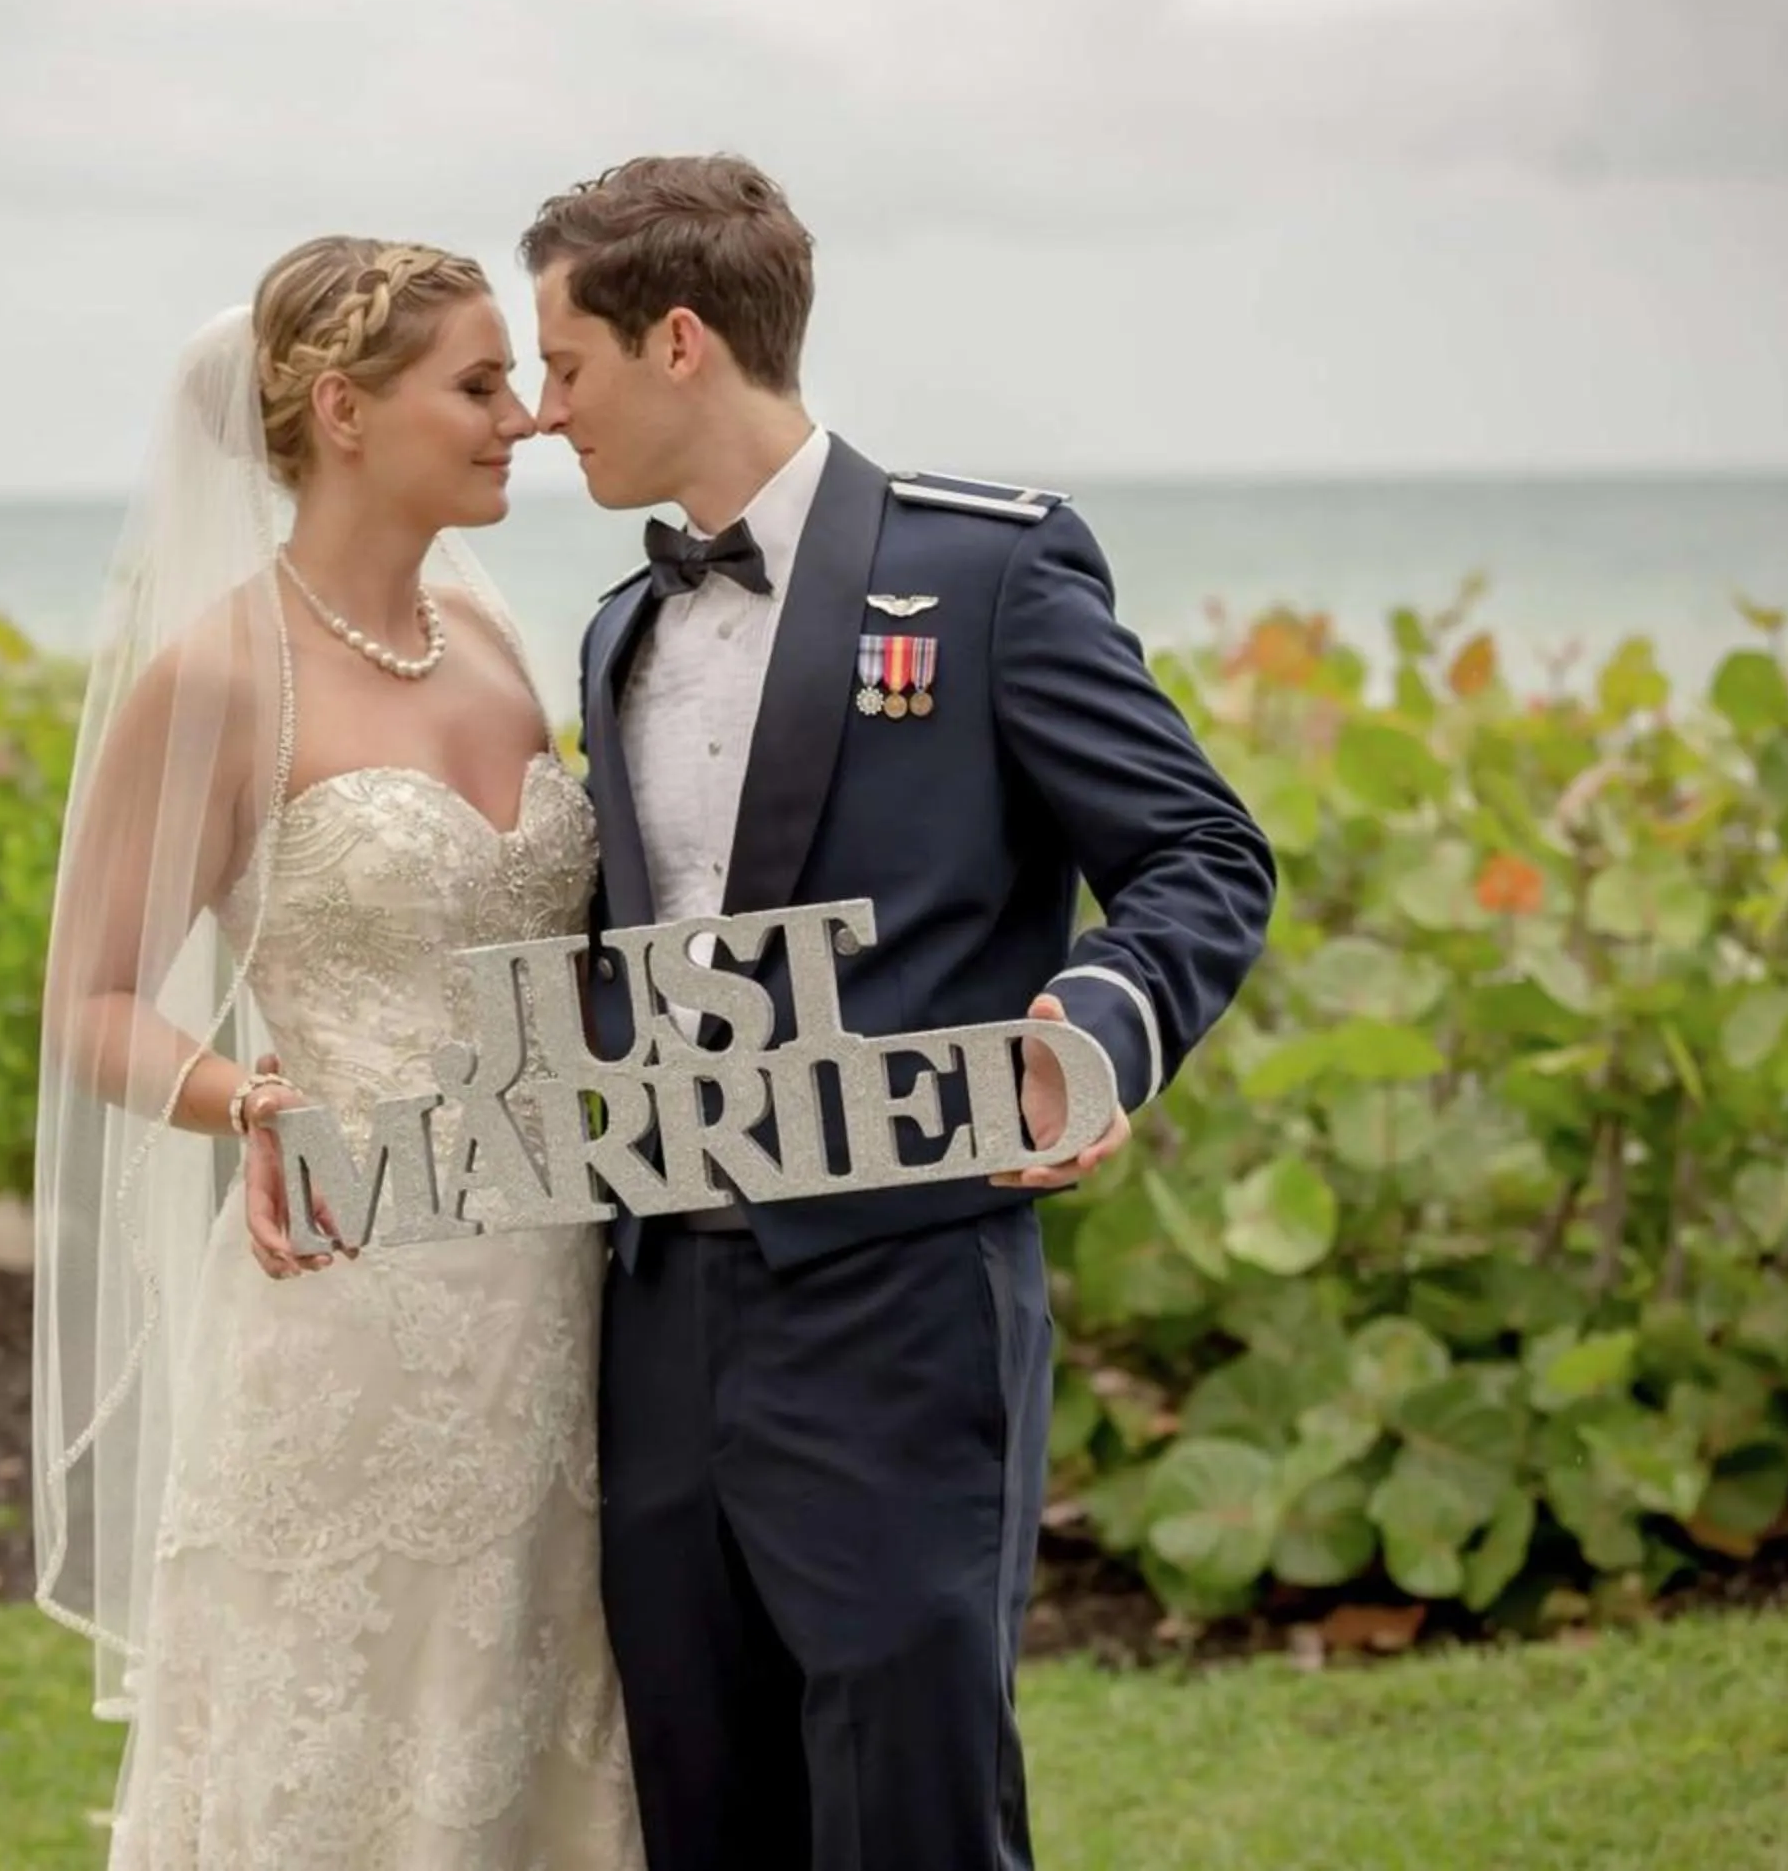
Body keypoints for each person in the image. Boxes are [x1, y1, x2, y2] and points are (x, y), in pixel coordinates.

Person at [522, 153, 1278, 1870]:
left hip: (899, 1303)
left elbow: (1198, 850)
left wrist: (1097, 1025)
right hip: (655, 1319)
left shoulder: (989, 573)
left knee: (911, 1812)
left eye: (565, 364)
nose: (544, 409)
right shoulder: (617, 629)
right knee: (703, 1809)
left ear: (683, 342)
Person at [28, 236, 646, 1869]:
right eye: (480, 383)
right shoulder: (224, 674)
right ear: (341, 411)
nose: (524, 418)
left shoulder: (494, 635)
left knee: (537, 1708)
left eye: (519, 380)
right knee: (344, 1732)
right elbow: (87, 999)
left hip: (558, 1290)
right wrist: (250, 1099)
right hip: (350, 1296)